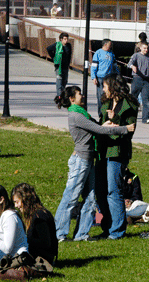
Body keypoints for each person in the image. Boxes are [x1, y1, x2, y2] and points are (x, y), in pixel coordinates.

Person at [53, 86, 134, 242]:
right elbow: (99, 130)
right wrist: (125, 129)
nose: (82, 96)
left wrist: (109, 122)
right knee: (71, 198)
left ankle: (82, 234)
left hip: (89, 159)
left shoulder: (81, 114)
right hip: (80, 162)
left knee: (90, 199)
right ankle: (59, 234)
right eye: (79, 94)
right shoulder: (76, 115)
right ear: (72, 99)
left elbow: (96, 127)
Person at [97, 75, 139, 240]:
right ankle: (107, 228)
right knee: (102, 191)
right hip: (102, 150)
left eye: (105, 86)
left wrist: (115, 119)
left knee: (114, 191)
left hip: (117, 152)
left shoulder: (130, 105)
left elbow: (130, 131)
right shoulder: (105, 103)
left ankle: (117, 231)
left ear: (113, 86)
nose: (103, 89)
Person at [11, 183, 57, 266]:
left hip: (44, 259)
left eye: (17, 202)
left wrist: (24, 239)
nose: (16, 205)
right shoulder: (34, 214)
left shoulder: (39, 216)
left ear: (25, 199)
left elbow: (45, 243)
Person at [91, 39, 118, 118]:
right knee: (100, 96)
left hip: (109, 78)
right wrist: (93, 77)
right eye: (110, 44)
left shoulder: (111, 53)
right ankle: (101, 114)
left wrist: (117, 75)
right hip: (100, 77)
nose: (111, 45)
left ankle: (108, 113)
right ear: (105, 44)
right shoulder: (98, 53)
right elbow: (94, 66)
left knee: (109, 96)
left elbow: (115, 65)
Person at [128, 42, 149, 124]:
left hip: (146, 80)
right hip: (137, 79)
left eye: (147, 48)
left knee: (146, 100)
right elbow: (130, 63)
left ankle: (145, 118)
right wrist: (133, 66)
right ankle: (130, 116)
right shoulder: (136, 55)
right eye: (144, 48)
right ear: (140, 48)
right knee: (133, 98)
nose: (146, 50)